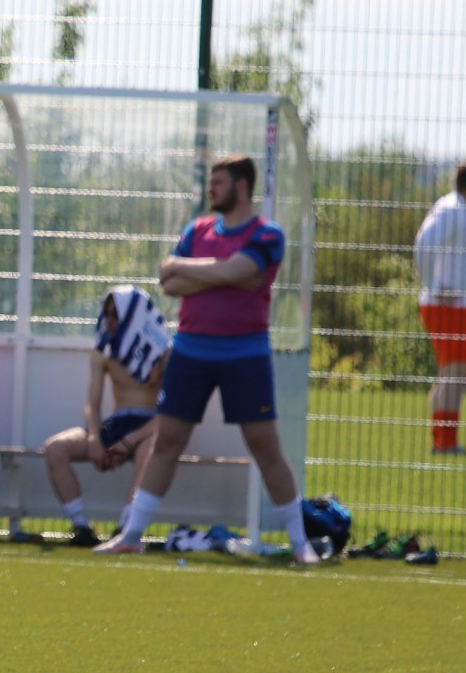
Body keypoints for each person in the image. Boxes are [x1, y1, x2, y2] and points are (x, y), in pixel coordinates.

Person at [97, 155, 322, 564]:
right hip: (190, 352)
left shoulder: (267, 234)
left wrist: (192, 270)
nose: (211, 189)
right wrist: (223, 274)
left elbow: (228, 271)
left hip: (245, 353)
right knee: (167, 441)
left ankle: (299, 544)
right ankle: (130, 536)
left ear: (241, 185)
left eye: (218, 182)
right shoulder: (197, 230)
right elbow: (171, 279)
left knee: (265, 445)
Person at [42, 285, 167, 546]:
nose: (109, 321)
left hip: (150, 427)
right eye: (106, 313)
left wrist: (130, 441)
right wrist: (95, 439)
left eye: (116, 315)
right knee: (55, 448)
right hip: (118, 422)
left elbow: (170, 414)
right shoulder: (103, 351)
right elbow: (92, 404)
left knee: (150, 451)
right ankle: (81, 528)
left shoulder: (164, 353)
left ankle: (126, 528)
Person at [414, 160, 466, 456]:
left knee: (460, 372)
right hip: (449, 307)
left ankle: (446, 439)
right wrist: (435, 287)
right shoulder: (450, 209)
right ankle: (443, 443)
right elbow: (423, 244)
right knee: (454, 371)